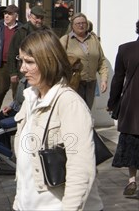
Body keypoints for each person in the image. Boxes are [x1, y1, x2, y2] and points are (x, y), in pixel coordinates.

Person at [13, 29, 95, 210]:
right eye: (21, 61)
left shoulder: (69, 103)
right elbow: (25, 168)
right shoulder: (30, 98)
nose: (22, 68)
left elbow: (81, 169)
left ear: (48, 62)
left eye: (29, 62)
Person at [107, 20, 139, 197]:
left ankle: (132, 180)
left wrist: (112, 103)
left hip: (131, 107)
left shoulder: (125, 49)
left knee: (131, 144)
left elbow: (118, 79)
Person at [59, 12, 108, 109]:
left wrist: (104, 79)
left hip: (91, 82)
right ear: (72, 26)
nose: (81, 25)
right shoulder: (66, 40)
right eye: (78, 23)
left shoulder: (94, 39)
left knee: (87, 109)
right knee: (76, 110)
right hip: (74, 83)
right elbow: (58, 60)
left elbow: (101, 61)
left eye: (83, 23)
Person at [7, 5, 49, 106]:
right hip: (25, 69)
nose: (39, 20)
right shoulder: (22, 31)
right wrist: (13, 73)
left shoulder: (47, 31)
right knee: (23, 97)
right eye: (37, 18)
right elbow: (12, 52)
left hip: (43, 69)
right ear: (30, 17)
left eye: (41, 18)